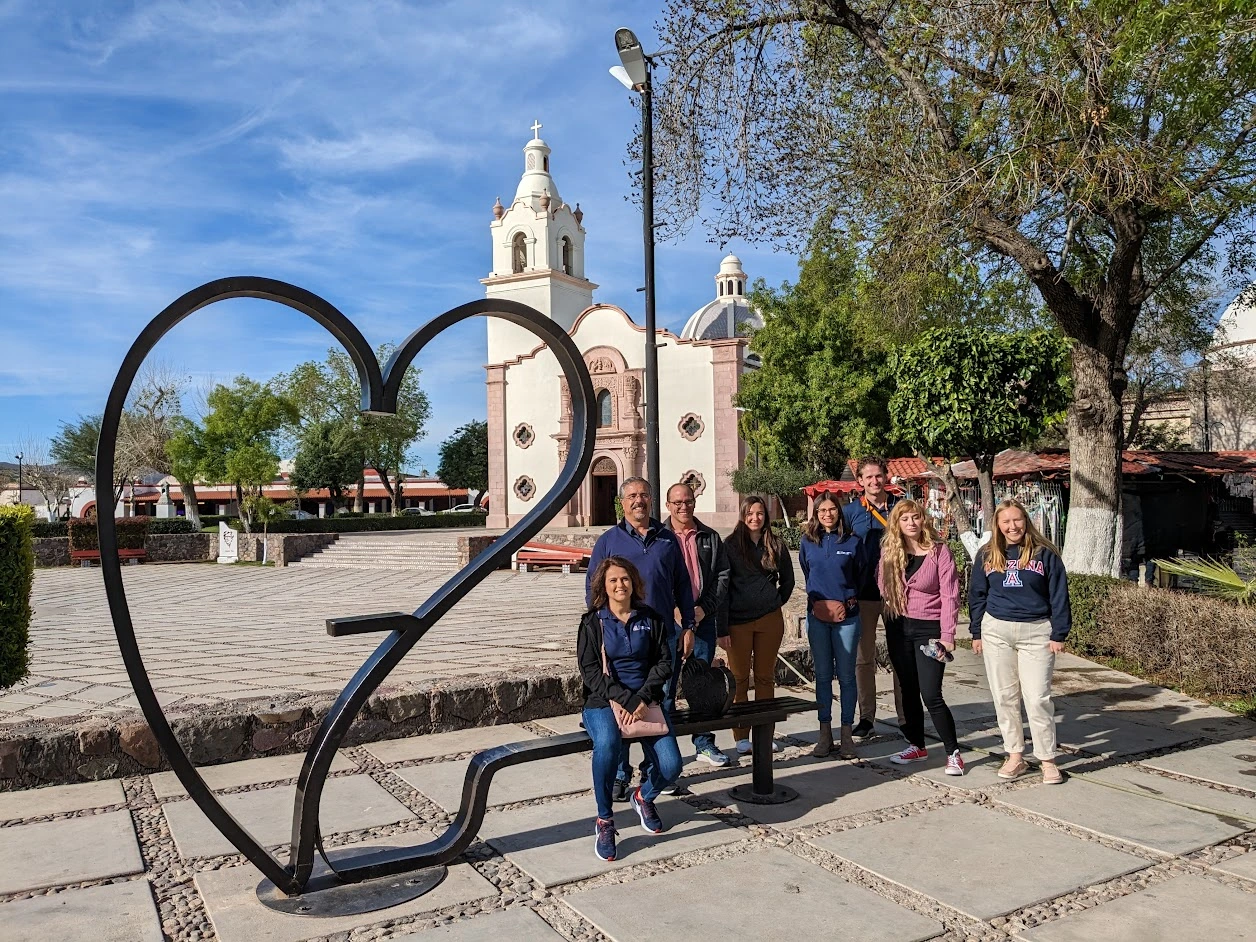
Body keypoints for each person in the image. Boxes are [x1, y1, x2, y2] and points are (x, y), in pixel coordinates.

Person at [587, 477, 696, 801]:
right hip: (621, 643)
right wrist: (603, 630)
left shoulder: (668, 540)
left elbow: (683, 585)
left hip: (660, 642)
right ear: (622, 502)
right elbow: (592, 591)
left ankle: (655, 771)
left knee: (660, 704)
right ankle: (621, 774)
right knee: (620, 705)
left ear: (652, 500)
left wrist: (688, 625)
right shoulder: (608, 540)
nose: (639, 500)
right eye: (632, 496)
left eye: (644, 495)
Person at [578, 556, 683, 861]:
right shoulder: (592, 623)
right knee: (608, 744)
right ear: (604, 586)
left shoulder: (650, 619)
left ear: (633, 582)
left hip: (646, 699)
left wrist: (643, 697)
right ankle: (605, 820)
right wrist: (626, 700)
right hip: (603, 701)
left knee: (671, 765)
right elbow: (590, 672)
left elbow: (665, 662)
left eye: (624, 579)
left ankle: (644, 796)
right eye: (613, 580)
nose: (619, 585)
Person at [969, 499, 1072, 785]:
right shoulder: (987, 554)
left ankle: (1047, 759)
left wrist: (1058, 633)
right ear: (998, 525)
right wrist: (976, 632)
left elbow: (1059, 594)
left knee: (1038, 698)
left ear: (1025, 521)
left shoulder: (1044, 554)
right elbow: (977, 595)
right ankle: (1015, 755)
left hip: (1036, 631)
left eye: (1017, 520)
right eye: (1006, 522)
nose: (1012, 526)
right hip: (996, 630)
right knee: (1004, 697)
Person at [878, 500, 964, 774]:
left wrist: (948, 635)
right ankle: (917, 745)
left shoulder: (939, 552)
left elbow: (951, 596)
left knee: (931, 693)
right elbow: (881, 582)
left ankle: (953, 753)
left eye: (916, 517)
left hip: (929, 629)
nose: (912, 523)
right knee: (907, 689)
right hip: (899, 627)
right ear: (897, 524)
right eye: (905, 519)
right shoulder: (891, 552)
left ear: (923, 520)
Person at [664, 481, 732, 767]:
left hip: (703, 621)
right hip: (670, 624)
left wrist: (704, 609)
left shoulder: (710, 537)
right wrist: (676, 611)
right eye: (677, 502)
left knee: (702, 685)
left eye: (688, 501)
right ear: (668, 506)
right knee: (665, 686)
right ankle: (663, 751)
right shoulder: (659, 538)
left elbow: (722, 576)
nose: (684, 506)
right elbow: (655, 578)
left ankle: (704, 743)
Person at [725, 494, 795, 755]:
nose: (755, 518)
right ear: (743, 516)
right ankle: (741, 735)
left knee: (765, 678)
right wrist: (722, 628)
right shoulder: (730, 546)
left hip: (769, 619)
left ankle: (764, 733)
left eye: (760, 513)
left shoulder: (775, 544)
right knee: (740, 679)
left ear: (766, 516)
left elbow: (788, 580)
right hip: (738, 622)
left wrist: (774, 600)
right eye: (750, 514)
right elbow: (723, 588)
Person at [798, 491, 865, 759]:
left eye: (832, 509)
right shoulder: (808, 542)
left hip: (847, 618)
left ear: (839, 512)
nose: (827, 514)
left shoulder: (853, 542)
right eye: (822, 510)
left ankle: (846, 734)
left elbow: (860, 574)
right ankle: (824, 733)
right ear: (816, 514)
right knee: (823, 676)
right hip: (818, 617)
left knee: (847, 677)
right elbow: (807, 571)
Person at [842, 457, 904, 738]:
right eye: (868, 477)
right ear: (860, 481)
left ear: (886, 477)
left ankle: (906, 717)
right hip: (863, 593)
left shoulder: (900, 509)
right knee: (863, 658)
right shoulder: (851, 512)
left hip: (896, 593)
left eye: (878, 476)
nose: (874, 482)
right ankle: (866, 717)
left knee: (900, 656)